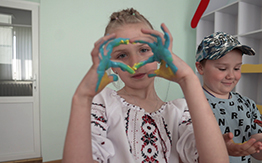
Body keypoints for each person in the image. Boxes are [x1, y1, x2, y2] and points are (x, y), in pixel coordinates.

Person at [62, 8, 229, 163]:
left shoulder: (180, 112)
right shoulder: (103, 103)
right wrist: (82, 98)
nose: (136, 63)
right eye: (122, 55)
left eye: (143, 50)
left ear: (159, 54)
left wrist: (188, 79)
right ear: (111, 64)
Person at [195, 31, 262, 163]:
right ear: (200, 68)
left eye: (237, 68)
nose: (231, 76)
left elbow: (259, 150)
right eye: (222, 68)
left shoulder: (248, 105)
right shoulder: (190, 105)